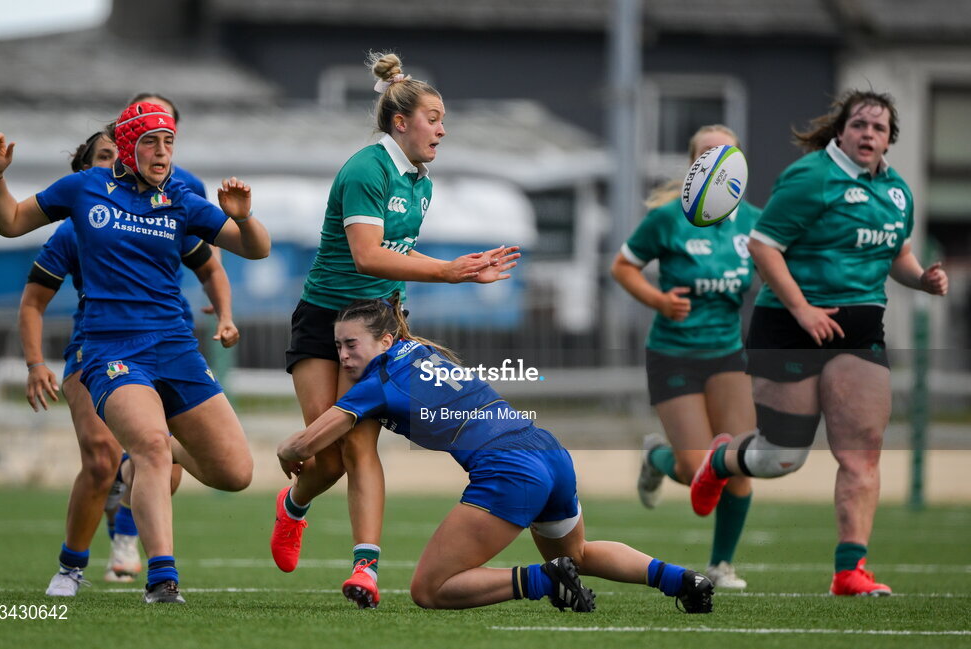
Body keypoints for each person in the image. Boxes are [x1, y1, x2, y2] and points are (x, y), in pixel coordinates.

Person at [0, 100, 270, 604]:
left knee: (235, 473)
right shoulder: (83, 189)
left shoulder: (181, 197)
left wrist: (244, 220)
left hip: (175, 346)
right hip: (110, 348)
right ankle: (160, 579)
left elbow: (255, 250)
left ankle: (150, 452)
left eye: (170, 142)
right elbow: (10, 222)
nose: (163, 153)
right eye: (151, 142)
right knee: (145, 448)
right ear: (129, 145)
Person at [276, 297, 715, 613]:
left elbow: (305, 444)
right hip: (547, 450)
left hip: (510, 468)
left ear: (388, 340)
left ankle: (544, 581)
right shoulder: (423, 351)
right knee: (577, 554)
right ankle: (683, 579)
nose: (344, 356)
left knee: (430, 590)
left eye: (352, 344)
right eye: (337, 347)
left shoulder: (378, 383)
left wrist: (285, 452)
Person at [271, 52, 519, 609]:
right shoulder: (366, 169)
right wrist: (449, 271)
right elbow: (366, 255)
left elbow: (396, 261)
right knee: (327, 456)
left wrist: (428, 296)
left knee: (360, 445)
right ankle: (293, 506)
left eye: (444, 117)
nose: (443, 128)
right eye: (434, 117)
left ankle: (366, 569)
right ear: (400, 123)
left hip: (377, 329)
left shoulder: (421, 181)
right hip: (322, 321)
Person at [689, 90, 948, 596]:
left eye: (878, 127)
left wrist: (922, 280)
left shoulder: (896, 191)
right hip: (788, 327)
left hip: (860, 330)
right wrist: (803, 309)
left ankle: (849, 571)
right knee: (781, 458)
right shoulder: (809, 179)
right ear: (841, 131)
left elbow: (900, 252)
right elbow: (763, 246)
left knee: (861, 454)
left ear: (890, 138)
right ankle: (723, 457)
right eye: (859, 125)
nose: (868, 134)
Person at [21, 130, 239, 593]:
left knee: (178, 458)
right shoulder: (75, 222)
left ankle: (126, 534)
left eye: (167, 142)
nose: (113, 167)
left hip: (170, 345)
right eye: (103, 159)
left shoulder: (166, 209)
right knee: (106, 459)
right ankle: (77, 566)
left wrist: (223, 314)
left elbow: (214, 264)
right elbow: (33, 300)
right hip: (98, 347)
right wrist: (35, 362)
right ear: (89, 171)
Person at [611, 125, 760, 590]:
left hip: (727, 354)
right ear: (694, 167)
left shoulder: (755, 221)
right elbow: (622, 267)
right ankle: (656, 458)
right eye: (707, 155)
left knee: (739, 461)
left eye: (726, 154)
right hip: (674, 353)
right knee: (697, 470)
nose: (717, 162)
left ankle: (721, 565)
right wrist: (658, 301)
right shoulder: (667, 218)